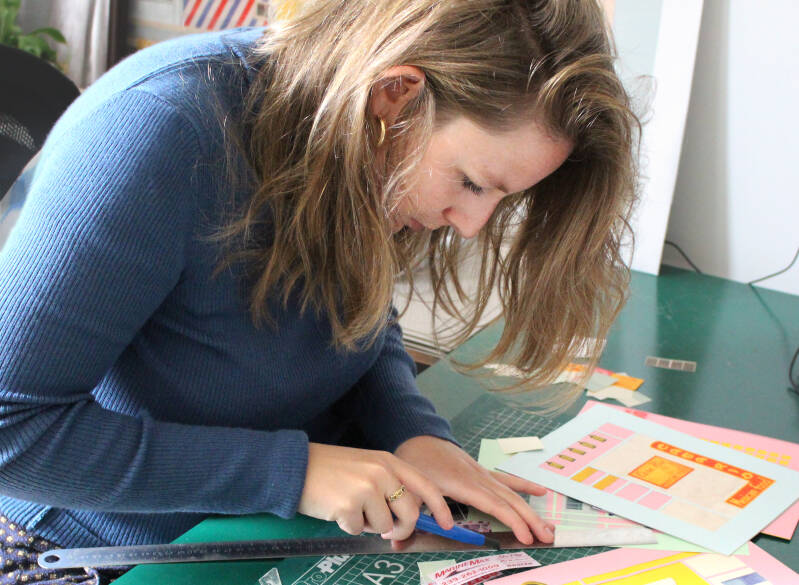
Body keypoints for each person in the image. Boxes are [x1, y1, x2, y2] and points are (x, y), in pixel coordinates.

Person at [0, 0, 637, 582]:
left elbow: (355, 316)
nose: (472, 225)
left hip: (263, 523)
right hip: (87, 548)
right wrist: (295, 471)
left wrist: (411, 431)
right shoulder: (156, 131)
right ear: (394, 95)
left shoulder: (361, 141)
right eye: (472, 183)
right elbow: (10, 431)